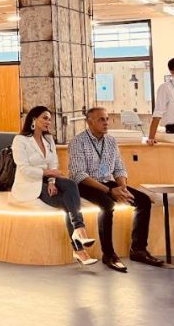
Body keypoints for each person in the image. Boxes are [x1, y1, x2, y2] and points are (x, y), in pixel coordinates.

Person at [68, 107, 164, 273]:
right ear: (89, 122)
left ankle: (138, 250)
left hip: (107, 182)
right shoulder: (78, 141)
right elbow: (79, 174)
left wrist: (122, 187)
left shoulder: (111, 141)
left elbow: (119, 168)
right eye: (101, 119)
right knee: (107, 205)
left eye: (107, 119)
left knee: (143, 201)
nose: (106, 122)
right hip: (84, 184)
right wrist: (109, 191)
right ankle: (109, 254)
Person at [10, 106, 97, 266]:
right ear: (33, 119)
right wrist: (48, 173)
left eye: (50, 119)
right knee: (67, 203)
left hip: (48, 179)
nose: (48, 122)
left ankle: (79, 229)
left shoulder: (48, 139)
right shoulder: (20, 140)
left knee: (70, 184)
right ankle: (79, 248)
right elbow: (24, 169)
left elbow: (53, 162)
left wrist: (51, 181)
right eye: (44, 118)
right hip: (30, 183)